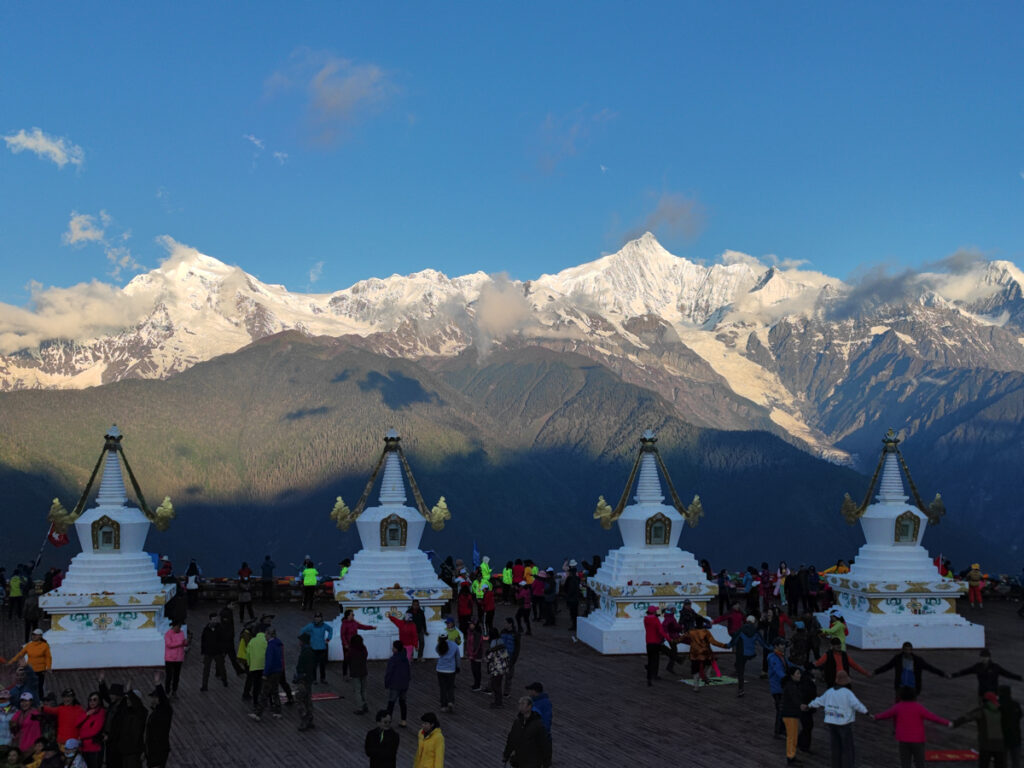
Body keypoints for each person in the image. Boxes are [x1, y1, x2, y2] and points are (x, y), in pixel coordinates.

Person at [872, 687, 952, 768]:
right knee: (920, 763)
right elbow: (934, 718)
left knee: (905, 764)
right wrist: (948, 723)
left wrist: (876, 717)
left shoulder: (898, 707)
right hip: (918, 740)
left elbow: (886, 714)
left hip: (903, 740)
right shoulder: (918, 707)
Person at [805, 670, 870, 768]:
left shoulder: (829, 692)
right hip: (844, 723)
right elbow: (857, 705)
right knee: (847, 748)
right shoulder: (848, 693)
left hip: (831, 722)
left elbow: (819, 701)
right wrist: (867, 712)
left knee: (835, 747)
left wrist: (809, 705)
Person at [953, 691, 1007, 768]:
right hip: (1000, 744)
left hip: (986, 744)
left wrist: (954, 723)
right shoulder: (1001, 710)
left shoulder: (981, 710)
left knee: (983, 764)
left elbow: (967, 717)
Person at [874, 642, 946, 697]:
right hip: (901, 687)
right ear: (902, 650)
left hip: (913, 687)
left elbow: (930, 668)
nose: (907, 652)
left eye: (908, 650)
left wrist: (942, 674)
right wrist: (875, 672)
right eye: (905, 650)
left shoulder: (918, 660)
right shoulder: (898, 659)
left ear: (911, 650)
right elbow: (887, 666)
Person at [503, 696, 552, 768]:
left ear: (530, 706)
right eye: (519, 704)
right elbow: (511, 739)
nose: (520, 706)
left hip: (532, 761)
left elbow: (544, 744)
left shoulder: (538, 725)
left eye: (523, 704)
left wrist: (546, 763)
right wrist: (506, 755)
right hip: (518, 760)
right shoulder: (517, 722)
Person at [682, 617, 729, 691]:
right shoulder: (705, 632)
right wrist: (724, 645)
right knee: (709, 664)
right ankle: (706, 675)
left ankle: (696, 686)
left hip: (694, 654)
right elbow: (713, 642)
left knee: (695, 670)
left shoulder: (691, 632)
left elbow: (682, 638)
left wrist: (673, 640)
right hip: (705, 653)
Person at [952, 649, 1022, 697]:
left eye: (985, 657)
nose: (984, 658)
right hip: (982, 693)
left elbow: (1008, 674)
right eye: (982, 657)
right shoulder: (977, 666)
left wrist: (1020, 678)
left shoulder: (995, 667)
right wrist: (953, 675)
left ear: (989, 657)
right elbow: (965, 671)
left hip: (993, 693)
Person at [7, 630, 52, 699]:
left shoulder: (45, 646)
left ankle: (40, 701)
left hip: (40, 670)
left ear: (40, 636)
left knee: (39, 686)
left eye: (35, 635)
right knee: (29, 685)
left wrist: (48, 667)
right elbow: (20, 654)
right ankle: (29, 699)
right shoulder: (29, 645)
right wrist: (11, 661)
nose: (33, 636)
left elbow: (48, 657)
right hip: (30, 670)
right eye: (33, 635)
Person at [730, 615, 767, 697]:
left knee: (741, 671)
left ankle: (741, 689)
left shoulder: (741, 629)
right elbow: (762, 643)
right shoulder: (756, 631)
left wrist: (727, 646)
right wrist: (771, 648)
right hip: (750, 653)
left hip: (741, 653)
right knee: (742, 666)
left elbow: (734, 641)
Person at [300, 612, 334, 684]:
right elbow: (302, 630)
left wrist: (328, 639)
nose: (317, 618)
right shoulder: (311, 626)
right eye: (316, 617)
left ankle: (323, 678)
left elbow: (330, 629)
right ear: (314, 618)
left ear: (321, 618)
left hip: (322, 648)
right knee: (313, 665)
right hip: (313, 648)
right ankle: (314, 679)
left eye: (319, 617)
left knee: (322, 665)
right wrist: (303, 641)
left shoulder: (324, 626)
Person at [341, 610, 376, 679]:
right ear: (348, 616)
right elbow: (342, 635)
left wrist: (371, 627)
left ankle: (352, 674)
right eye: (352, 615)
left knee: (353, 660)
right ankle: (344, 674)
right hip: (347, 645)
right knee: (346, 660)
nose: (353, 616)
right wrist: (345, 644)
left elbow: (362, 627)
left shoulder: (354, 623)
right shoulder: (344, 624)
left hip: (355, 644)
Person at [780, 667, 805, 765]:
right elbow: (795, 699)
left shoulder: (791, 685)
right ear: (792, 675)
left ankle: (792, 755)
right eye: (798, 673)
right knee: (792, 736)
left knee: (793, 735)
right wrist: (801, 705)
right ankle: (790, 757)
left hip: (791, 714)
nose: (800, 675)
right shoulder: (791, 686)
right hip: (790, 714)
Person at [144, 684, 172, 768]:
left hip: (159, 750)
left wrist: (158, 684)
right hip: (153, 750)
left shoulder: (165, 711)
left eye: (154, 698)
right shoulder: (155, 712)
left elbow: (163, 699)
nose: (152, 700)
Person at [260, 627, 285, 720]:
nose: (265, 637)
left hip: (271, 672)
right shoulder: (278, 644)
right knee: (275, 691)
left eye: (266, 634)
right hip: (278, 671)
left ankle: (258, 713)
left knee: (264, 692)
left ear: (269, 635)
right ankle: (278, 711)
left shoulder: (270, 646)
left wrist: (265, 673)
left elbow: (269, 661)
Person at [383, 640, 410, 728]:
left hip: (395, 684)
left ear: (396, 649)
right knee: (403, 703)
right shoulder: (405, 658)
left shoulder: (393, 659)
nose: (392, 649)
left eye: (393, 647)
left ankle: (388, 721)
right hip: (404, 684)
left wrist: (386, 682)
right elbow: (408, 671)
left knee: (391, 703)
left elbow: (389, 672)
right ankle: (403, 720)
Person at [643, 606, 671, 687]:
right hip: (656, 642)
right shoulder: (655, 619)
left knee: (650, 660)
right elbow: (661, 631)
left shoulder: (646, 619)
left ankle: (649, 678)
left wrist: (661, 611)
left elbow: (654, 614)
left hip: (648, 642)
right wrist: (668, 638)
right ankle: (654, 675)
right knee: (656, 659)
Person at [75, 692, 105, 768]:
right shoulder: (87, 712)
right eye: (90, 700)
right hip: (84, 747)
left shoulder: (100, 712)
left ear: (99, 701)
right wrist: (86, 715)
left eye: (95, 700)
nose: (92, 702)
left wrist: (81, 736)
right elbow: (76, 723)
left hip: (94, 748)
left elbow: (95, 730)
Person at [294, 632, 316, 731]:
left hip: (303, 679)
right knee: (308, 700)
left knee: (300, 699)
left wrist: (301, 676)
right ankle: (310, 719)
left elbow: (304, 667)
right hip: (308, 679)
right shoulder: (310, 651)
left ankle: (304, 720)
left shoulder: (306, 652)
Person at [199, 613, 227, 691]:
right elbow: (203, 640)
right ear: (210, 620)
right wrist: (203, 650)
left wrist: (223, 650)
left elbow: (223, 640)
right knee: (206, 670)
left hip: (217, 651)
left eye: (216, 619)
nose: (215, 621)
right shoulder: (206, 629)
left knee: (221, 667)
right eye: (214, 619)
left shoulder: (220, 628)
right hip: (208, 652)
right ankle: (204, 686)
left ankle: (224, 680)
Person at [244, 626, 267, 720]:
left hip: (254, 667)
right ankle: (267, 702)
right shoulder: (266, 640)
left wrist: (250, 664)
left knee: (256, 685)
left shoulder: (252, 641)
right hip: (264, 666)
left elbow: (248, 654)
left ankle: (255, 702)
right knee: (265, 685)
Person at [485, 627, 510, 709]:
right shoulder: (501, 642)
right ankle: (498, 701)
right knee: (498, 685)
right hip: (503, 668)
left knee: (495, 685)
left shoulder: (493, 645)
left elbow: (488, 658)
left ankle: (498, 702)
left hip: (496, 668)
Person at [435, 636, 460, 714]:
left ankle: (443, 705)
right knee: (450, 687)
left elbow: (437, 652)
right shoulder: (454, 645)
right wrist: (458, 667)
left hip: (440, 669)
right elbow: (457, 657)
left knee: (443, 688)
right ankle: (450, 701)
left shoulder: (438, 645)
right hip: (450, 670)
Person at [998, 686, 1021, 768]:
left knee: (1002, 762)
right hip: (1016, 737)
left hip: (1003, 737)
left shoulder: (998, 706)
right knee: (1016, 762)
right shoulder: (1016, 704)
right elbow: (1019, 716)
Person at [162, 621, 187, 697]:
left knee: (176, 676)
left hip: (179, 658)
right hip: (170, 659)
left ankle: (174, 691)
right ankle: (167, 691)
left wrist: (185, 643)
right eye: (178, 627)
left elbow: (183, 642)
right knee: (169, 676)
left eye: (180, 627)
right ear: (173, 626)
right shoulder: (168, 634)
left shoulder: (182, 633)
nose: (179, 628)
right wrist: (181, 643)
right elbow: (169, 645)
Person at [347, 634, 369, 715]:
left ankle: (360, 707)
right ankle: (365, 704)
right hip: (363, 671)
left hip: (355, 672)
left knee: (357, 691)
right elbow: (366, 655)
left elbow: (348, 659)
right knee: (363, 690)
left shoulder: (351, 650)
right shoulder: (363, 649)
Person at [464, 619, 484, 692]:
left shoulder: (477, 633)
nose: (470, 625)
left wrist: (472, 654)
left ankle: (478, 685)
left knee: (477, 670)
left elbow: (477, 645)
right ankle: (476, 683)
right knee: (473, 669)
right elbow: (469, 643)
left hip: (477, 654)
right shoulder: (470, 631)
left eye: (471, 624)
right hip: (471, 654)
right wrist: (468, 652)